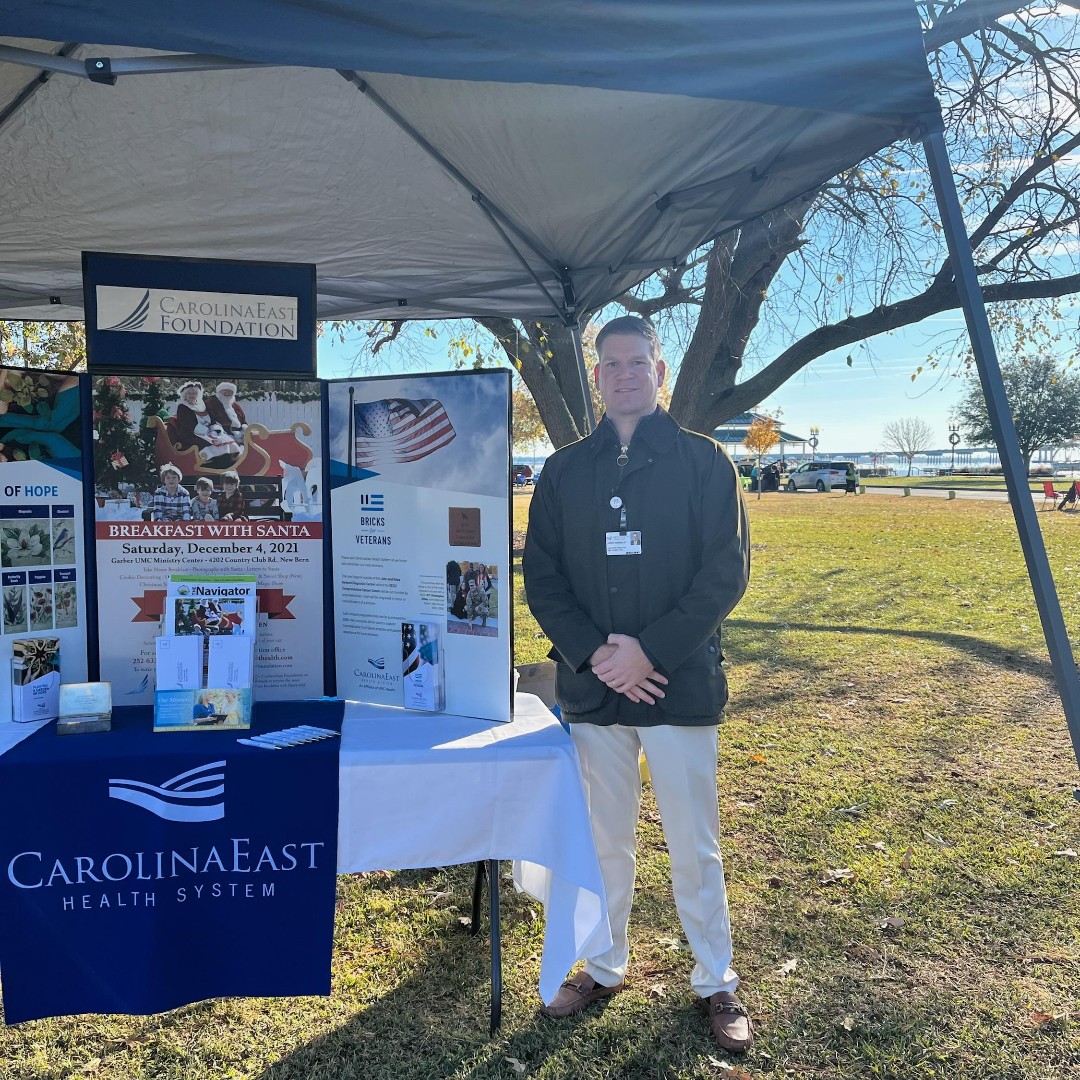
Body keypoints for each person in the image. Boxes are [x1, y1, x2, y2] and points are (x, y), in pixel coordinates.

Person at [523, 315, 752, 1052]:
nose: (625, 374)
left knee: (695, 845)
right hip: (594, 692)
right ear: (596, 377)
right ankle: (602, 965)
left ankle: (716, 981)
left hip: (678, 686)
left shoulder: (705, 463)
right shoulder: (562, 471)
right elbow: (545, 580)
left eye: (638, 362)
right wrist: (597, 656)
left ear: (659, 372)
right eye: (611, 364)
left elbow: (726, 573)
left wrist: (649, 652)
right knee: (602, 842)